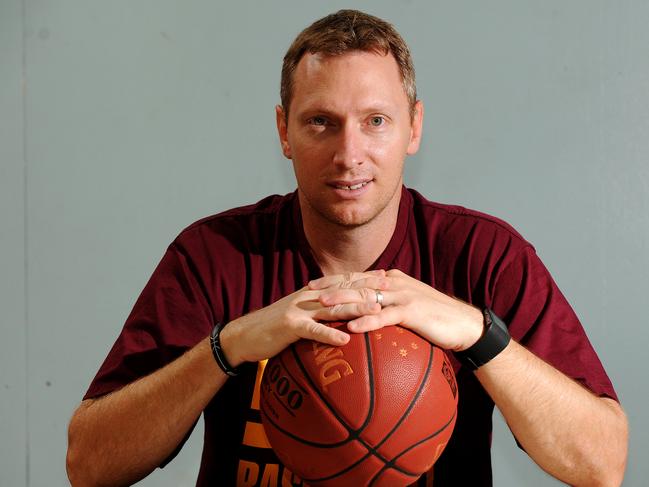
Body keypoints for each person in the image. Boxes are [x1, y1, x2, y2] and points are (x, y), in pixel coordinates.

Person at [66, 9, 628, 487]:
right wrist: (228, 346)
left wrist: (480, 334)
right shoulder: (216, 255)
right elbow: (89, 464)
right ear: (284, 132)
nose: (349, 153)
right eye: (321, 123)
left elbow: (603, 464)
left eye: (375, 121)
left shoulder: (483, 254)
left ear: (414, 127)